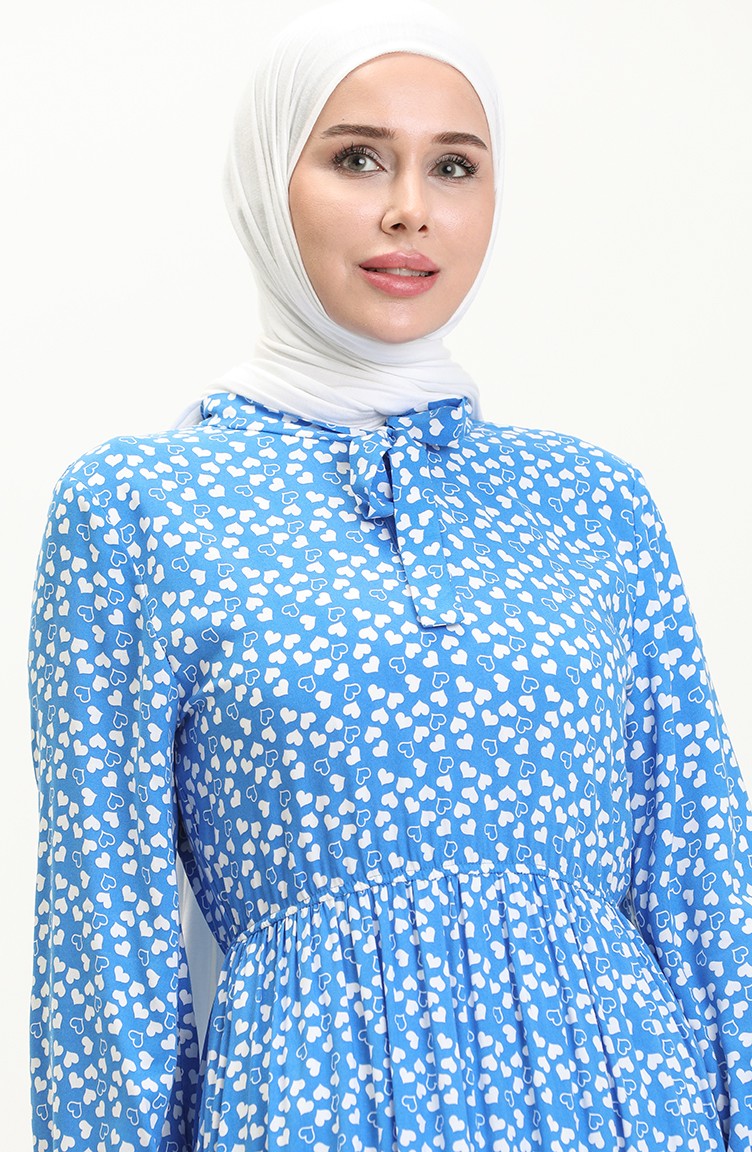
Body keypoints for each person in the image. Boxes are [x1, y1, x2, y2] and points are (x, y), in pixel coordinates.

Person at [27, 2, 752, 1151]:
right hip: (318, 1104)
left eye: (451, 166)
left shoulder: (594, 504)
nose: (409, 206)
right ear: (269, 178)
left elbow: (705, 890)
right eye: (357, 157)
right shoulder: (138, 510)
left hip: (624, 1107)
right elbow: (104, 937)